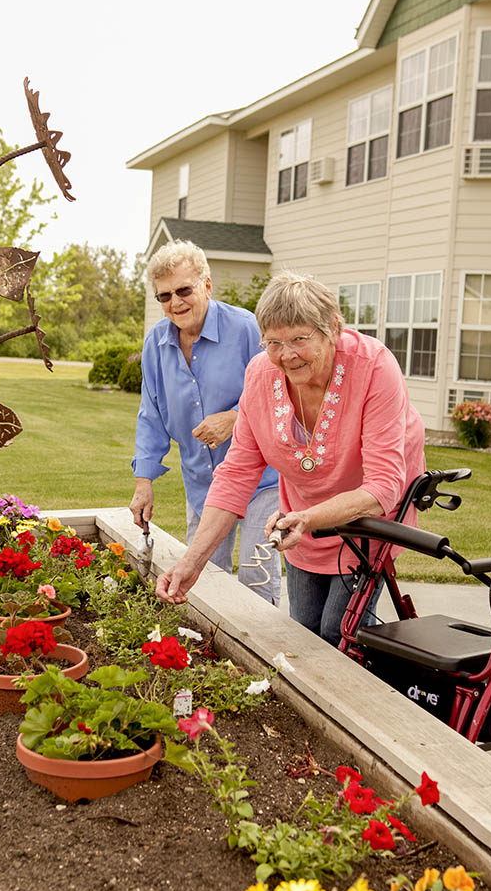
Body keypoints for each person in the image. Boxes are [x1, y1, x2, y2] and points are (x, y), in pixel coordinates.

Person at [155, 270, 426, 647]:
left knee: (339, 634)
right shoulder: (261, 375)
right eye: (273, 342)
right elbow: (236, 474)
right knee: (303, 631)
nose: (287, 355)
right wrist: (192, 563)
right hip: (301, 513)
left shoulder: (374, 367)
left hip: (368, 517)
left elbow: (384, 484)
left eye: (300, 339)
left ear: (332, 327)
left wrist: (309, 519)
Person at [129, 239, 281, 604]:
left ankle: (262, 659)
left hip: (263, 479)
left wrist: (235, 417)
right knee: (205, 574)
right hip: (203, 482)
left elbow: (281, 394)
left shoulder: (245, 328)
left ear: (207, 285)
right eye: (164, 296)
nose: (175, 303)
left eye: (184, 290)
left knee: (254, 575)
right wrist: (143, 481)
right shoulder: (156, 344)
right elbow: (151, 414)